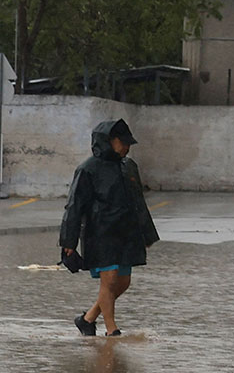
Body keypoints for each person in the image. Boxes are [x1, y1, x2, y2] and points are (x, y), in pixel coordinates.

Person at [60, 118, 160, 336]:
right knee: (110, 280)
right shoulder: (88, 169)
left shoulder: (128, 167)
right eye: (123, 142)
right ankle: (111, 330)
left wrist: (147, 234)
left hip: (126, 233)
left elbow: (138, 202)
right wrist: (69, 241)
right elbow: (74, 206)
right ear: (109, 141)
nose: (126, 147)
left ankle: (87, 319)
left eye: (128, 143)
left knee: (123, 282)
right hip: (100, 233)